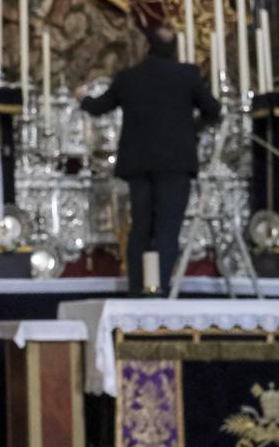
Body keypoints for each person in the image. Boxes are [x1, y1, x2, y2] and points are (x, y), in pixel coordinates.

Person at [80, 26, 221, 294]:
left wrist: (83, 98)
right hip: (175, 165)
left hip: (139, 165)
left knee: (141, 228)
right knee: (167, 229)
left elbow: (98, 107)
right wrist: (195, 127)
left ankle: (137, 289)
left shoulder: (129, 78)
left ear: (147, 48)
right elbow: (213, 110)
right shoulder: (187, 75)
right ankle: (160, 290)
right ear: (175, 50)